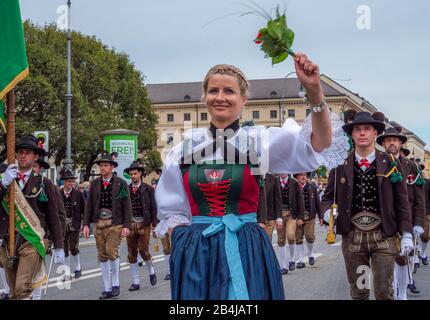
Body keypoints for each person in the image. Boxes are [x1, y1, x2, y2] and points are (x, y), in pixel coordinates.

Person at [154, 53, 349, 300]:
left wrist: (314, 92)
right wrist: (181, 238)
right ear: (205, 98)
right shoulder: (184, 149)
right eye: (213, 90)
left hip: (246, 248)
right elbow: (170, 208)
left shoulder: (259, 141)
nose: (220, 97)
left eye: (229, 91)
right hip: (197, 251)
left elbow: (319, 144)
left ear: (243, 99)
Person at [321, 112, 413, 300]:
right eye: (357, 129)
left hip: (383, 237)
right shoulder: (340, 165)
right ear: (352, 134)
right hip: (354, 239)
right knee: (360, 293)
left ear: (375, 133)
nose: (362, 133)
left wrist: (407, 234)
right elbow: (327, 198)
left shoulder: (391, 163)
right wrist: (327, 214)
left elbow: (402, 202)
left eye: (367, 129)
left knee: (383, 292)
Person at [0, 135, 65, 300]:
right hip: (8, 240)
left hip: (31, 240)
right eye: (20, 152)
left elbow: (53, 216)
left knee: (23, 288)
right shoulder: (7, 179)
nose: (23, 156)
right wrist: (3, 185)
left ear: (35, 156)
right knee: (14, 292)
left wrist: (59, 246)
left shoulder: (44, 183)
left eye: (28, 152)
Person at [377, 126, 425, 299]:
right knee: (386, 260)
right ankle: (393, 291)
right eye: (388, 140)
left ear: (400, 143)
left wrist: (419, 223)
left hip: (407, 221)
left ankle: (402, 293)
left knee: (403, 259)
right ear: (383, 143)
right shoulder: (377, 164)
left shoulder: (412, 167)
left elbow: (419, 199)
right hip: (384, 220)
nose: (392, 142)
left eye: (395, 140)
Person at [83, 152, 132, 299]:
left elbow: (126, 205)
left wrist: (127, 225)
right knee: (102, 255)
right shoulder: (95, 183)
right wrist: (86, 224)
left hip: (115, 223)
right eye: (101, 165)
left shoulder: (120, 183)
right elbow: (89, 205)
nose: (102, 168)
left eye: (105, 165)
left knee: (111, 251)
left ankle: (116, 284)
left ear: (112, 167)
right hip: (99, 223)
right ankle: (107, 287)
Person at [124, 161, 158, 291]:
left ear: (140, 174)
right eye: (131, 174)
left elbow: (153, 207)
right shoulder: (126, 189)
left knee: (143, 251)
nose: (133, 176)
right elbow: (122, 207)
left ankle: (151, 269)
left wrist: (155, 225)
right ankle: (136, 281)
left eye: (135, 173)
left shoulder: (148, 189)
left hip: (144, 223)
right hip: (131, 224)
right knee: (131, 253)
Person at [59, 168, 86, 280]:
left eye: (72, 181)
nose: (71, 183)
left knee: (73, 247)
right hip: (61, 225)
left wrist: (85, 224)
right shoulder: (58, 193)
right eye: (69, 181)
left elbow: (84, 210)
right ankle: (66, 272)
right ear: (64, 182)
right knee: (63, 248)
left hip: (74, 223)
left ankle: (78, 267)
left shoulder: (78, 194)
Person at [293, 172, 323, 268]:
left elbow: (317, 202)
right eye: (301, 175)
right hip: (297, 217)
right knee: (298, 238)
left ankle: (310, 255)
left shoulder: (312, 187)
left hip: (310, 216)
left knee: (310, 237)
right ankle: (301, 260)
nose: (303, 177)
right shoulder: (293, 188)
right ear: (296, 177)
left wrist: (321, 216)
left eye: (305, 175)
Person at [277, 173, 304, 274]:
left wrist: (301, 217)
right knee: (281, 240)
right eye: (280, 170)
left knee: (291, 236)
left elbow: (300, 200)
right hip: (279, 214)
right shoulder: (275, 181)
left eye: (284, 170)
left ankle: (292, 259)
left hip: (291, 214)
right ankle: (283, 266)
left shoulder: (294, 183)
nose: (282, 173)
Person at [263, 173, 282, 243]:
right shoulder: (251, 175)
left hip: (269, 217)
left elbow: (278, 199)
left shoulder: (273, 178)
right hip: (254, 217)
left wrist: (279, 217)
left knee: (267, 241)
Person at [420, 176, 430, 265]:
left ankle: (422, 253)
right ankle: (415, 259)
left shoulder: (427, 182)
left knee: (425, 236)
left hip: (426, 212)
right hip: (411, 211)